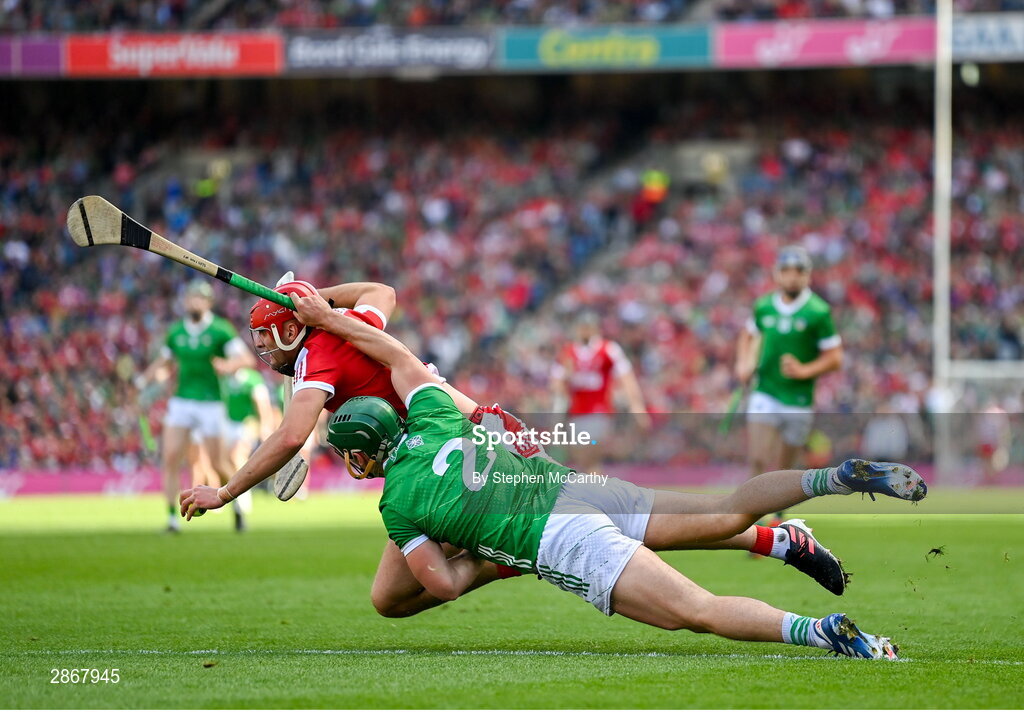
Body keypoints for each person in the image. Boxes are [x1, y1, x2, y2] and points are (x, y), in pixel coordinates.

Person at [181, 293, 926, 659]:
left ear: (359, 459)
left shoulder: (400, 505)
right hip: (570, 485)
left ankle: (823, 634)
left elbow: (443, 583)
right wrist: (326, 311)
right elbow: (397, 348)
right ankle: (832, 479)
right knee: (730, 508)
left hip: (558, 539)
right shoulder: (434, 408)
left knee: (696, 610)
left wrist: (498, 560)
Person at [735, 246, 843, 520]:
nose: (792, 276)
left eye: (798, 271)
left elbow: (835, 357)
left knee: (785, 468)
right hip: (766, 391)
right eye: (786, 271)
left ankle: (777, 516)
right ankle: (749, 519)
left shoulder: (818, 312)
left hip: (798, 399)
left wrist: (805, 370)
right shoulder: (763, 306)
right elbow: (748, 335)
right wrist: (744, 363)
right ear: (776, 274)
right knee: (758, 457)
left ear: (808, 275)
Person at [138, 280, 255, 533]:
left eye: (199, 298)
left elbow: (246, 359)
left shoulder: (220, 330)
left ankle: (237, 506)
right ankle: (172, 519)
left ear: (209, 302)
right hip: (182, 400)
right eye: (191, 298)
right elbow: (164, 361)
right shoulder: (176, 332)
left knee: (218, 463)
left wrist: (228, 366)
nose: (194, 302)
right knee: (170, 458)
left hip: (211, 403)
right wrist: (143, 381)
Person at [551, 312, 650, 472]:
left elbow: (627, 378)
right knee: (584, 461)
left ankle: (595, 478)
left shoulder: (608, 350)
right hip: (576, 414)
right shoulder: (568, 353)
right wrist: (566, 379)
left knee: (591, 455)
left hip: (600, 412)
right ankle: (594, 481)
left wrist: (636, 406)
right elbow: (556, 383)